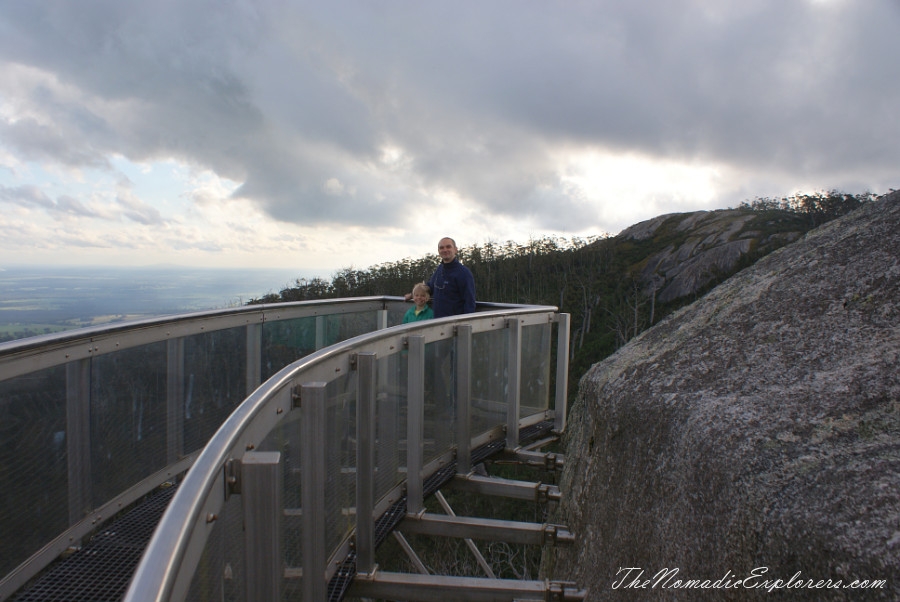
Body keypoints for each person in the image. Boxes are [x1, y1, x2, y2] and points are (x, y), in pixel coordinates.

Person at [406, 237, 476, 318]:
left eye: (448, 247)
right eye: (441, 248)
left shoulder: (464, 273)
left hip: (454, 325)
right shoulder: (439, 269)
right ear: (438, 251)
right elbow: (429, 287)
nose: (445, 250)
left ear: (455, 250)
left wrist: (465, 323)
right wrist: (413, 295)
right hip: (438, 322)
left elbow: (469, 302)